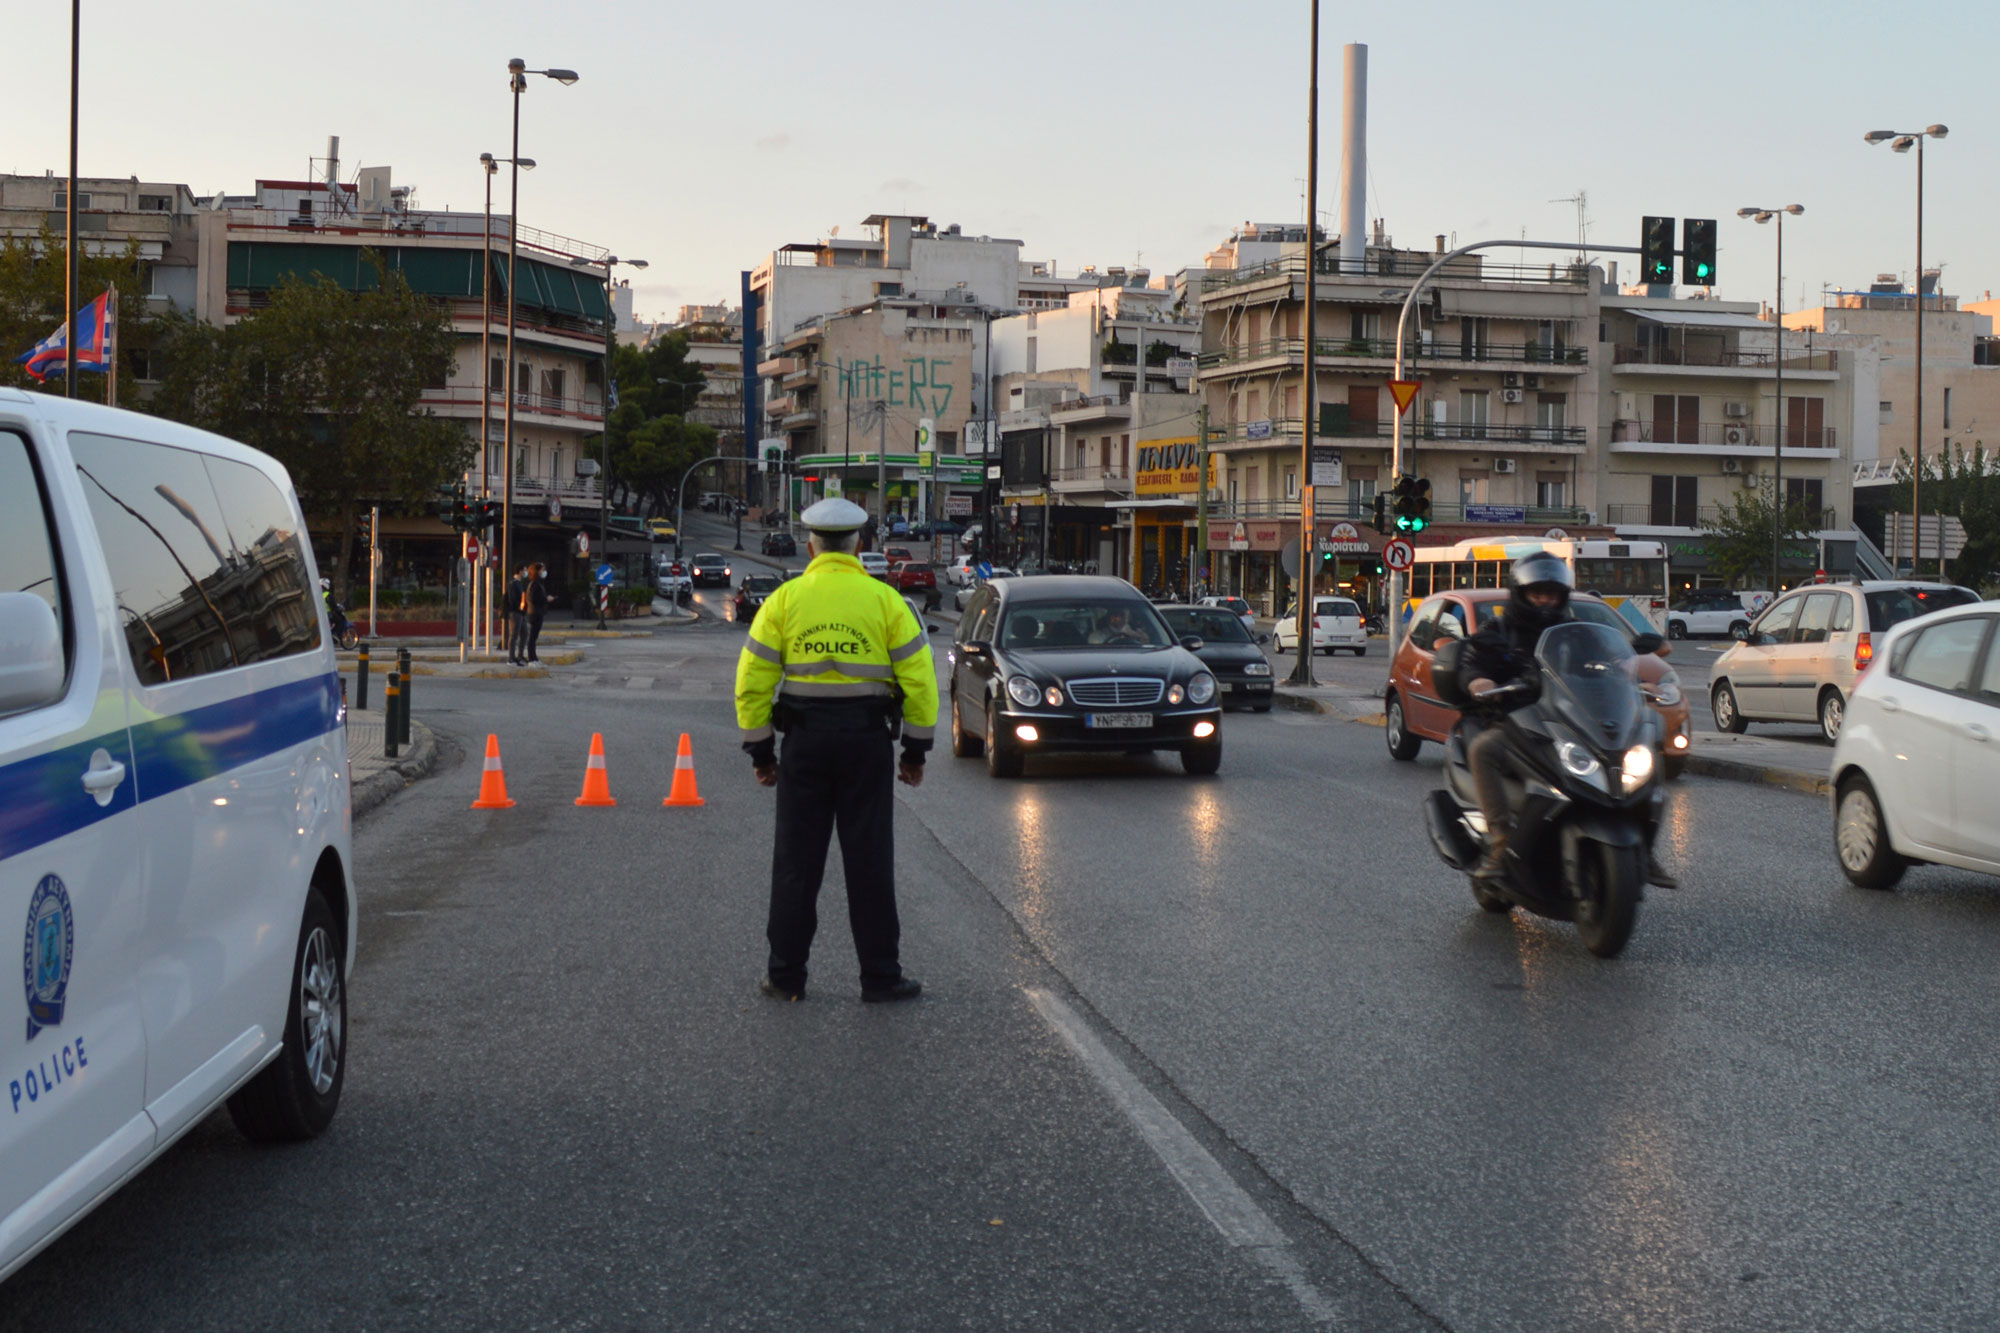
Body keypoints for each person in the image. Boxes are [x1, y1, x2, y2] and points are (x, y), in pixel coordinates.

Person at [735, 497, 937, 1004]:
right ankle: (880, 978)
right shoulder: (884, 601)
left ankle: (785, 978)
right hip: (866, 745)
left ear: (810, 546)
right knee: (869, 862)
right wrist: (915, 753)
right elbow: (921, 681)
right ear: (859, 544)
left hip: (803, 745)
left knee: (795, 865)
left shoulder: (784, 600)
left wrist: (762, 755)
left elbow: (752, 682)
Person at [1462, 553, 1676, 889]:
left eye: (1553, 594)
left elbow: (1608, 662)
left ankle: (1644, 849)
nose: (1546, 600)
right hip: (1520, 721)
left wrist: (1630, 679)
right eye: (1538, 593)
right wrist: (1480, 681)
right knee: (1483, 749)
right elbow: (1474, 663)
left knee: (1646, 750)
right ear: (1521, 593)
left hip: (1570, 720)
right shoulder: (1498, 631)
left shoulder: (1578, 633)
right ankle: (1501, 844)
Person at [523, 562, 549, 663]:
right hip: (535, 613)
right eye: (542, 570)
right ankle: (532, 658)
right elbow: (535, 599)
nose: (544, 572)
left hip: (535, 612)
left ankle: (534, 657)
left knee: (534, 637)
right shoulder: (535, 584)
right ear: (537, 571)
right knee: (532, 637)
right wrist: (546, 599)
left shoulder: (535, 583)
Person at [506, 564, 530, 665]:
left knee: (524, 633)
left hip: (521, 613)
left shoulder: (520, 583)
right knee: (514, 635)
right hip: (515, 613)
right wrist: (519, 608)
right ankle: (511, 658)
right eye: (524, 570)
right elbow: (513, 599)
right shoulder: (513, 583)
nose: (526, 572)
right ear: (520, 571)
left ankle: (520, 655)